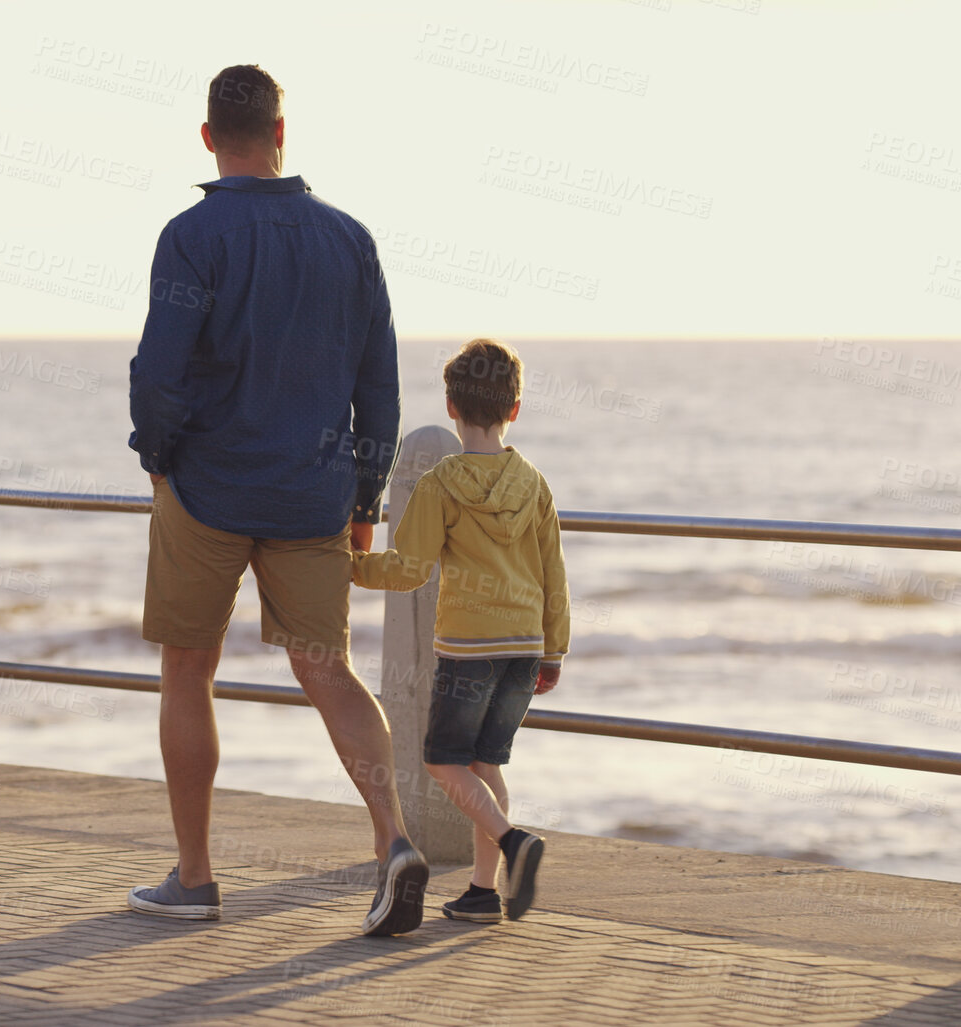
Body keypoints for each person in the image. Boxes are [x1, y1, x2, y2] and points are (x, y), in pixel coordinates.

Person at [124, 64, 426, 936]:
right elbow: (381, 385)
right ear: (282, 133)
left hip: (208, 489)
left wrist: (157, 459)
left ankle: (195, 878)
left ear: (209, 137)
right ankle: (393, 842)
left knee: (189, 668)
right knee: (327, 669)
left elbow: (158, 372)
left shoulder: (190, 234)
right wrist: (364, 493)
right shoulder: (349, 239)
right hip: (313, 494)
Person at [350, 338, 569, 923]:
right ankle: (481, 892)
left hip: (470, 648)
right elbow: (554, 575)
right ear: (514, 409)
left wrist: (349, 565)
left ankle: (514, 841)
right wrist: (555, 650)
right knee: (485, 766)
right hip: (524, 648)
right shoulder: (535, 484)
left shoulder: (441, 483)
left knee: (444, 762)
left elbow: (408, 569)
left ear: (451, 406)